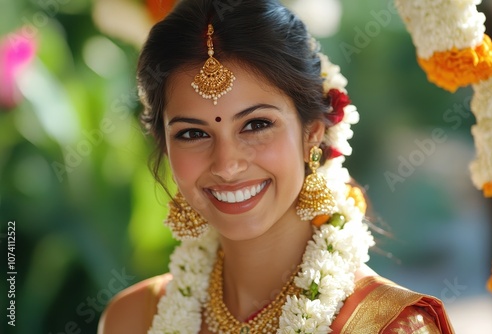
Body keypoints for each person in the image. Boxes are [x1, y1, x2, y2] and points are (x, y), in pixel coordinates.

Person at [98, 0, 455, 333]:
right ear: (164, 145)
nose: (227, 165)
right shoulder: (131, 319)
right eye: (193, 133)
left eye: (256, 125)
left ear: (312, 133)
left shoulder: (389, 325)